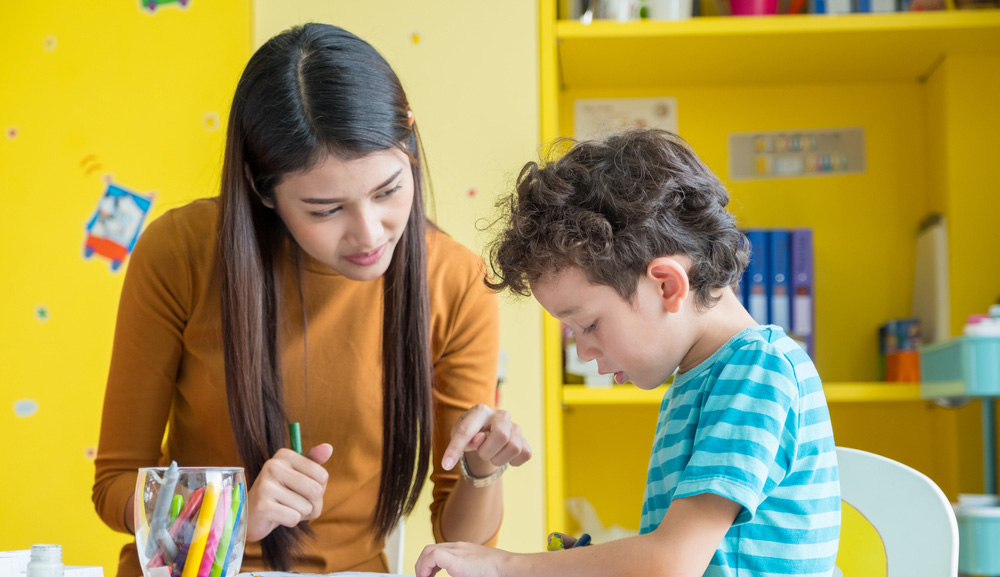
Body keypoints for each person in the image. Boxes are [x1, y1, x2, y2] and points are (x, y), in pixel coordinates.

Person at [92, 23, 531, 576]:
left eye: (388, 190)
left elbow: (458, 539)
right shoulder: (179, 252)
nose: (370, 234)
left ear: (410, 146)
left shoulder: (455, 281)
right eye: (326, 209)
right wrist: (229, 517)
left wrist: (479, 470)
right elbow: (114, 486)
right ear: (261, 188)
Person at [416, 129, 840, 577]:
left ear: (667, 285)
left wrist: (507, 566)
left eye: (589, 325)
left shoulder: (757, 369)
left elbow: (672, 563)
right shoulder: (702, 378)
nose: (582, 350)